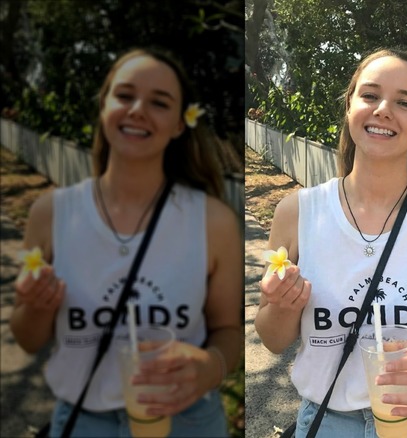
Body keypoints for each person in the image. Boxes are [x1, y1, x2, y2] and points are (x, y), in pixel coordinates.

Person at [254, 48, 407, 437]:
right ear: (350, 107)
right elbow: (274, 340)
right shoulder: (297, 212)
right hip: (329, 421)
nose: (383, 109)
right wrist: (281, 306)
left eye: (405, 102)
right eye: (370, 95)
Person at [10, 48, 243, 437]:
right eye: (125, 95)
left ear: (179, 124)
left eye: (159, 102)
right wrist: (35, 308)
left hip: (187, 422)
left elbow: (229, 332)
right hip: (83, 420)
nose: (137, 109)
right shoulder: (50, 213)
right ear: (104, 107)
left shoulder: (213, 221)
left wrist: (210, 368)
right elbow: (27, 338)